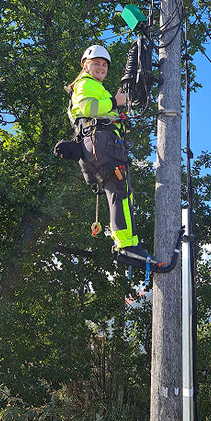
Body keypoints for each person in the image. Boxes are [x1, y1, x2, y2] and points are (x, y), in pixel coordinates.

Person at [67, 44, 151, 266]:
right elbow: (88, 108)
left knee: (119, 192)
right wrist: (115, 102)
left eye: (104, 64)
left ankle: (124, 243)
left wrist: (119, 108)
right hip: (100, 144)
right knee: (120, 190)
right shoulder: (85, 84)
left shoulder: (96, 87)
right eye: (97, 63)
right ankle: (127, 246)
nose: (101, 67)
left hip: (97, 145)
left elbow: (103, 110)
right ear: (86, 65)